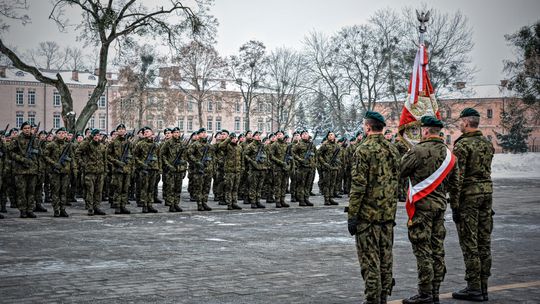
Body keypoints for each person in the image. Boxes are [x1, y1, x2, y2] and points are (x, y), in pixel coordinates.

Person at [401, 116, 459, 304]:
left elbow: (399, 169)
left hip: (422, 208)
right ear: (439, 131)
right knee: (437, 249)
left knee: (423, 249)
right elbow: (455, 184)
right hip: (440, 207)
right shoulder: (449, 154)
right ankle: (434, 291)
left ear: (425, 131)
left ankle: (425, 293)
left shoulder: (417, 151)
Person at [347, 111, 401, 304]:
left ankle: (372, 298)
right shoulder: (392, 149)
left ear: (368, 127)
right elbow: (396, 181)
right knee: (385, 256)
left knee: (370, 260)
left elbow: (358, 186)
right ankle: (384, 295)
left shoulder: (363, 150)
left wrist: (352, 215)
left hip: (368, 216)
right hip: (387, 214)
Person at [451, 108, 495, 302]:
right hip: (487, 194)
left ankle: (474, 287)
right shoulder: (487, 144)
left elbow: (457, 178)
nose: (460, 124)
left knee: (470, 243)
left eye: (461, 121)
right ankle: (483, 286)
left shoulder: (462, 145)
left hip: (469, 197)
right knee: (484, 242)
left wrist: (454, 205)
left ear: (467, 122)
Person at [43, 127, 77, 217]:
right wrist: (54, 164)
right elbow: (45, 156)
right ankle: (56, 209)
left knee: (64, 191)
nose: (62, 135)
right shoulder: (51, 145)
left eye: (63, 133)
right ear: (56, 135)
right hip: (55, 172)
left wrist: (74, 170)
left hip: (65, 172)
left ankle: (63, 209)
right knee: (55, 191)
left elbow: (72, 158)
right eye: (60, 133)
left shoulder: (68, 145)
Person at [9, 122, 40, 218]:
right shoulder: (17, 139)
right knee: (21, 191)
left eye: (29, 128)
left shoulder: (35, 140)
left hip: (32, 169)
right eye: (25, 128)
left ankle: (30, 210)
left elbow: (39, 153)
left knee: (31, 191)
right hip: (20, 170)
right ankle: (23, 210)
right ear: (22, 129)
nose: (27, 129)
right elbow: (10, 152)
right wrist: (22, 159)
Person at [77, 129, 108, 216]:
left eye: (98, 135)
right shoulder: (87, 144)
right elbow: (78, 153)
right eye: (94, 135)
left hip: (100, 171)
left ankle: (97, 207)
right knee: (90, 190)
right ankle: (90, 208)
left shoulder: (102, 146)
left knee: (98, 191)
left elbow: (104, 159)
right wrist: (83, 164)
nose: (96, 137)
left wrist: (105, 170)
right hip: (90, 171)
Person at [107, 124, 133, 215]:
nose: (121, 131)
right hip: (117, 169)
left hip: (126, 169)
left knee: (125, 188)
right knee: (118, 188)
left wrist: (129, 165)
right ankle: (117, 206)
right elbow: (108, 155)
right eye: (120, 129)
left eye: (123, 129)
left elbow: (132, 155)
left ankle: (123, 206)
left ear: (125, 131)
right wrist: (116, 162)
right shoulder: (113, 142)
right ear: (117, 131)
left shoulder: (129, 143)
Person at [160, 127, 188, 212]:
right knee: (170, 188)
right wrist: (168, 165)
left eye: (178, 132)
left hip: (179, 169)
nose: (176, 134)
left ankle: (176, 204)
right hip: (170, 169)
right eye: (175, 132)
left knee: (178, 188)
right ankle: (171, 205)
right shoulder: (168, 143)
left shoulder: (182, 144)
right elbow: (162, 154)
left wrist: (184, 169)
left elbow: (184, 157)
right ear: (172, 134)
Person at [133, 127, 160, 213]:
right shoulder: (140, 144)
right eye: (144, 132)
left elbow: (158, 157)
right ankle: (144, 205)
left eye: (148, 131)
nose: (145, 133)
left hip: (153, 168)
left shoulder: (156, 145)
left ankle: (150, 204)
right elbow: (135, 156)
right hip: (144, 169)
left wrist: (159, 167)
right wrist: (141, 164)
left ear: (152, 133)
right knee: (144, 187)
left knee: (151, 188)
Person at [217, 132, 243, 210]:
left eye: (235, 138)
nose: (234, 139)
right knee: (229, 188)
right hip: (229, 171)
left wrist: (242, 168)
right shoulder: (227, 146)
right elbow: (220, 146)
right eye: (233, 138)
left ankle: (234, 203)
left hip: (237, 171)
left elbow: (241, 159)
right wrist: (228, 139)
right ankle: (229, 203)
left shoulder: (239, 147)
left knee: (235, 188)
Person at [243, 131, 267, 209]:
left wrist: (265, 165)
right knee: (253, 186)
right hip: (254, 169)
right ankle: (253, 201)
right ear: (253, 137)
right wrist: (251, 161)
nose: (258, 136)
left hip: (262, 168)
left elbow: (266, 156)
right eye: (256, 135)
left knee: (259, 186)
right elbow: (245, 155)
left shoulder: (262, 146)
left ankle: (258, 201)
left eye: (259, 135)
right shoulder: (250, 146)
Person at [292, 130, 316, 207]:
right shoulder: (298, 144)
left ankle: (306, 198)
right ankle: (301, 199)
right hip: (302, 167)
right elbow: (292, 153)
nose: (305, 135)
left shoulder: (312, 145)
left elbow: (315, 154)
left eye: (306, 134)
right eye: (303, 134)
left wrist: (314, 163)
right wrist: (300, 160)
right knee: (301, 184)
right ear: (301, 136)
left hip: (310, 167)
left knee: (308, 184)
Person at [318, 131, 341, 206]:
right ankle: (326, 199)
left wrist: (338, 164)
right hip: (327, 167)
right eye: (329, 135)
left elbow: (339, 156)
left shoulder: (337, 145)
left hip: (334, 167)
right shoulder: (325, 145)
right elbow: (319, 155)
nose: (331, 136)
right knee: (327, 184)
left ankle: (331, 198)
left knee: (332, 184)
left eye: (332, 135)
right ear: (327, 136)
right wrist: (324, 163)